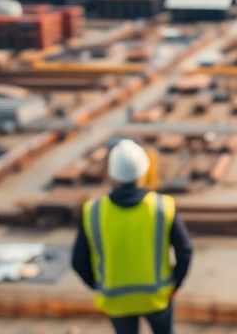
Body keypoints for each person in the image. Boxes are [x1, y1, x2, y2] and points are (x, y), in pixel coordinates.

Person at [71, 139, 194, 334]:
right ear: (144, 171)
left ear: (112, 174)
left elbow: (78, 261)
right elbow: (185, 251)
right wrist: (175, 284)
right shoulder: (162, 207)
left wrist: (99, 285)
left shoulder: (93, 211)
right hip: (157, 297)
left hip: (115, 301)